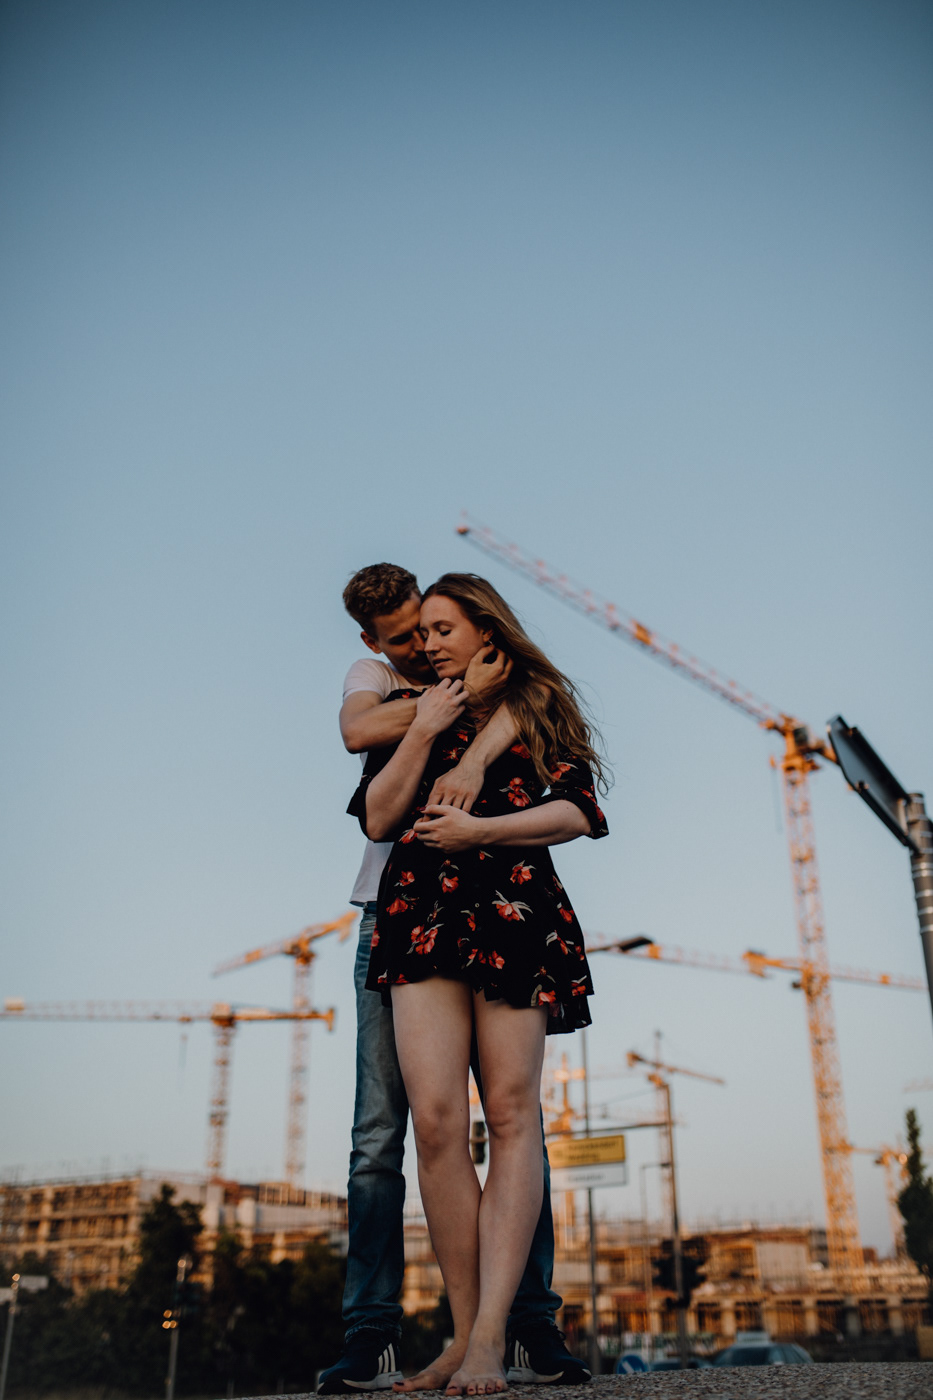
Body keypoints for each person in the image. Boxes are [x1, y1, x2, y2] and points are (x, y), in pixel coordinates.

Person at [320, 565, 590, 1395]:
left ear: (484, 630)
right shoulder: (411, 704)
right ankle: (462, 1334)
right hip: (415, 913)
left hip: (512, 908)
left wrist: (481, 829)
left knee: (510, 1116)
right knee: (434, 1126)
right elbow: (378, 816)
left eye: (440, 630)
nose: (426, 645)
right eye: (416, 634)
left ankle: (496, 1338)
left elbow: (580, 809)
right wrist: (429, 721)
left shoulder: (535, 700)